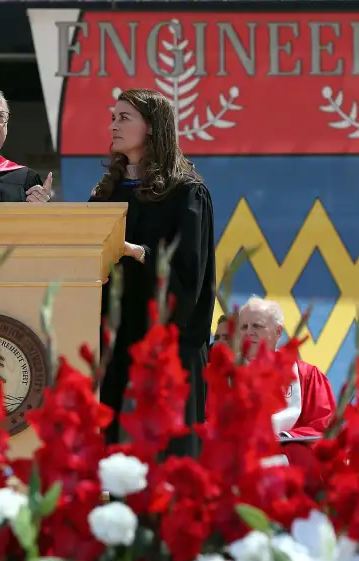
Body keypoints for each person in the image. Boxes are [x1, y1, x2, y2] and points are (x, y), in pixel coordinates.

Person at [90, 88, 216, 456]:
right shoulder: (106, 194)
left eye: (123, 117)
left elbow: (191, 274)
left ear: (152, 127)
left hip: (166, 343)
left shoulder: (186, 192)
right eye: (113, 117)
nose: (113, 125)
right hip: (116, 338)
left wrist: (138, 252)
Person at [239, 296, 336, 439]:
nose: (249, 332)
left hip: (287, 455)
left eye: (257, 326)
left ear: (278, 332)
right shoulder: (224, 373)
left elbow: (324, 425)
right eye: (244, 327)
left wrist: (286, 438)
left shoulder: (306, 376)